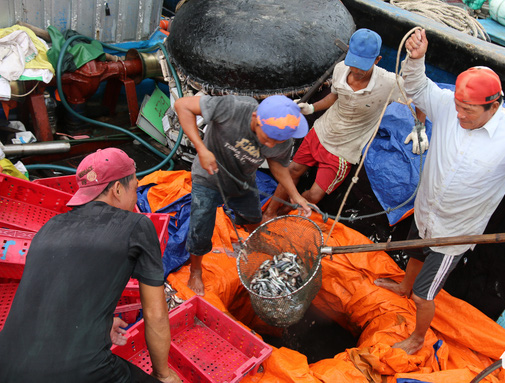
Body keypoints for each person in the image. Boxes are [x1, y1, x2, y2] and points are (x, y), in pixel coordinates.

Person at [374, 29, 505, 355]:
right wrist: (417, 59)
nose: (459, 115)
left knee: (426, 295)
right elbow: (419, 87)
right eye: (457, 107)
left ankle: (417, 338)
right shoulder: (450, 108)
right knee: (415, 251)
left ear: (493, 106)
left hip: (454, 234)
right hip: (426, 212)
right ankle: (404, 287)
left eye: (469, 111)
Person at [0, 148, 181, 383]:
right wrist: (162, 374)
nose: (136, 198)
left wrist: (100, 324)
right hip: (78, 371)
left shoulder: (50, 227)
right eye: (135, 188)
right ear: (117, 189)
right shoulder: (137, 225)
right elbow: (155, 314)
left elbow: (50, 298)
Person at [262, 28, 427, 221]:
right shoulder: (341, 68)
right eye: (353, 64)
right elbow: (334, 95)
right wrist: (312, 108)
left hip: (343, 150)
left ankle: (284, 215)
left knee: (314, 196)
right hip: (321, 131)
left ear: (377, 60)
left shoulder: (389, 83)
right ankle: (269, 213)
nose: (355, 71)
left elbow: (419, 94)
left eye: (362, 66)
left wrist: (419, 125)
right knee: (292, 171)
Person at [175, 94, 312, 296]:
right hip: (208, 177)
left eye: (277, 141)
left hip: (243, 181)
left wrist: (295, 195)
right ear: (256, 118)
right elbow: (182, 105)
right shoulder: (233, 107)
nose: (272, 145)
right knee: (200, 227)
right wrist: (201, 148)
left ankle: (257, 243)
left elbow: (278, 165)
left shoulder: (282, 138)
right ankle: (196, 270)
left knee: (253, 216)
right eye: (267, 138)